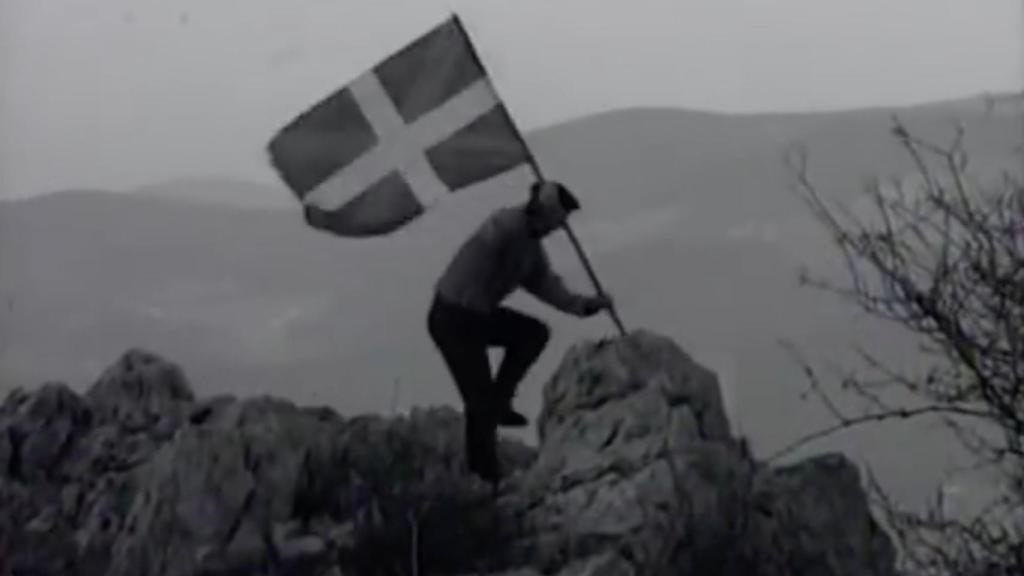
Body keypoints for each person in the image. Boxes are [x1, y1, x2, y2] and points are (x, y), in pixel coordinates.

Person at [426, 179, 614, 483]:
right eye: (558, 221)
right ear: (545, 213)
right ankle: (483, 475)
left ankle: (501, 402)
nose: (558, 228)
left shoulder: (530, 249)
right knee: (479, 402)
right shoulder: (506, 226)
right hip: (453, 317)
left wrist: (583, 306)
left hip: (476, 316)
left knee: (533, 334)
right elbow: (490, 241)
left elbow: (546, 285)